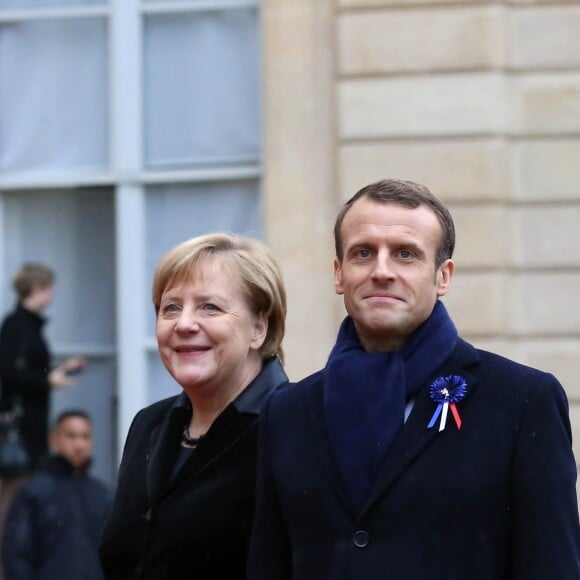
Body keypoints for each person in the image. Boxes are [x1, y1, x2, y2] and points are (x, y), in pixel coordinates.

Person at [248, 179, 580, 579]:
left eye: (406, 254)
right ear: (339, 274)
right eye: (363, 253)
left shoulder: (522, 401)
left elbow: (552, 566)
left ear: (443, 277)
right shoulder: (287, 412)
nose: (381, 271)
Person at [99, 233, 288, 579]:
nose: (184, 324)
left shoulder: (294, 427)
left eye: (209, 307)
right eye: (171, 308)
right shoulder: (149, 424)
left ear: (258, 327)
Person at [1, 410, 112, 580]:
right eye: (71, 436)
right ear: (53, 441)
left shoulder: (103, 494)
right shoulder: (33, 491)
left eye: (85, 436)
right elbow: (16, 554)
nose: (79, 444)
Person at [0, 263, 85, 470]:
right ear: (37, 289)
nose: (52, 297)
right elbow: (9, 372)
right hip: (21, 422)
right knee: (17, 484)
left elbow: (29, 368)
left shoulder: (27, 325)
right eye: (50, 290)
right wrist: (47, 380)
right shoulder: (16, 325)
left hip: (31, 419)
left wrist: (61, 368)